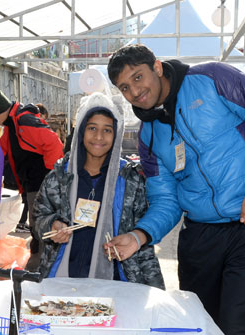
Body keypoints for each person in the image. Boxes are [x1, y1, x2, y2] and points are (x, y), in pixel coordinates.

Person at [105, 44, 245, 335]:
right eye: (125, 87)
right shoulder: (148, 134)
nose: (135, 91)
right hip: (201, 234)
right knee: (199, 327)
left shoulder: (213, 79)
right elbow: (165, 200)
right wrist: (139, 235)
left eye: (138, 77)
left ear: (158, 67)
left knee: (240, 327)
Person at [33, 92, 164, 288]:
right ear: (81, 131)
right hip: (63, 278)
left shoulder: (130, 181)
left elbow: (143, 238)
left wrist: (155, 288)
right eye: (92, 128)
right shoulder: (59, 177)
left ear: (117, 134)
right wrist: (52, 225)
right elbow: (38, 219)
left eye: (107, 130)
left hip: (115, 282)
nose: (99, 137)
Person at [0, 89, 64, 271]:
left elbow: (54, 143)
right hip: (31, 184)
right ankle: (37, 266)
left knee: (40, 229)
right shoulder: (12, 124)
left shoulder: (23, 121)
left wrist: (53, 182)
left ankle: (40, 270)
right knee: (36, 228)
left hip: (41, 185)